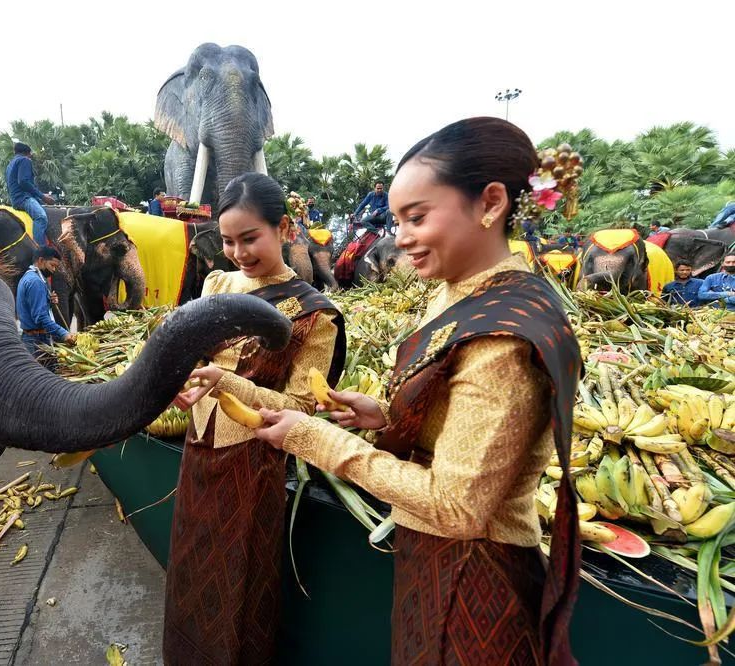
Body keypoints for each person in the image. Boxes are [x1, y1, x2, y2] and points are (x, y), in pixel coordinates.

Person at [256, 118, 581, 665]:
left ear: (491, 203)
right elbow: (455, 424)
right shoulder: (458, 292)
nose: (400, 237)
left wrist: (317, 440)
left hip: (476, 576)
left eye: (417, 217)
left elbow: (456, 506)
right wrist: (384, 418)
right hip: (433, 557)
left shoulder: (503, 338)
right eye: (398, 219)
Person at [162, 173, 346, 665]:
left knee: (240, 582)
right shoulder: (217, 283)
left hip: (253, 464)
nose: (238, 252)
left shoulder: (313, 314)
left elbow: (305, 408)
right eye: (227, 241)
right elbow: (190, 353)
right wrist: (181, 383)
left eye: (250, 238)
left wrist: (227, 385)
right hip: (198, 455)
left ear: (284, 228)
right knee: (191, 571)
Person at [16, 246, 70, 363]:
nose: (53, 270)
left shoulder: (28, 277)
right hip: (37, 341)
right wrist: (64, 334)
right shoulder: (36, 282)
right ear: (41, 261)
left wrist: (48, 301)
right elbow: (40, 318)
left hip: (31, 339)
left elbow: (33, 308)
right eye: (52, 265)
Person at [5, 142, 55, 245]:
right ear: (28, 153)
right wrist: (43, 196)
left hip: (16, 199)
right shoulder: (24, 160)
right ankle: (40, 251)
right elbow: (23, 182)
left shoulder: (10, 164)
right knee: (41, 218)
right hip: (24, 198)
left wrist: (40, 197)